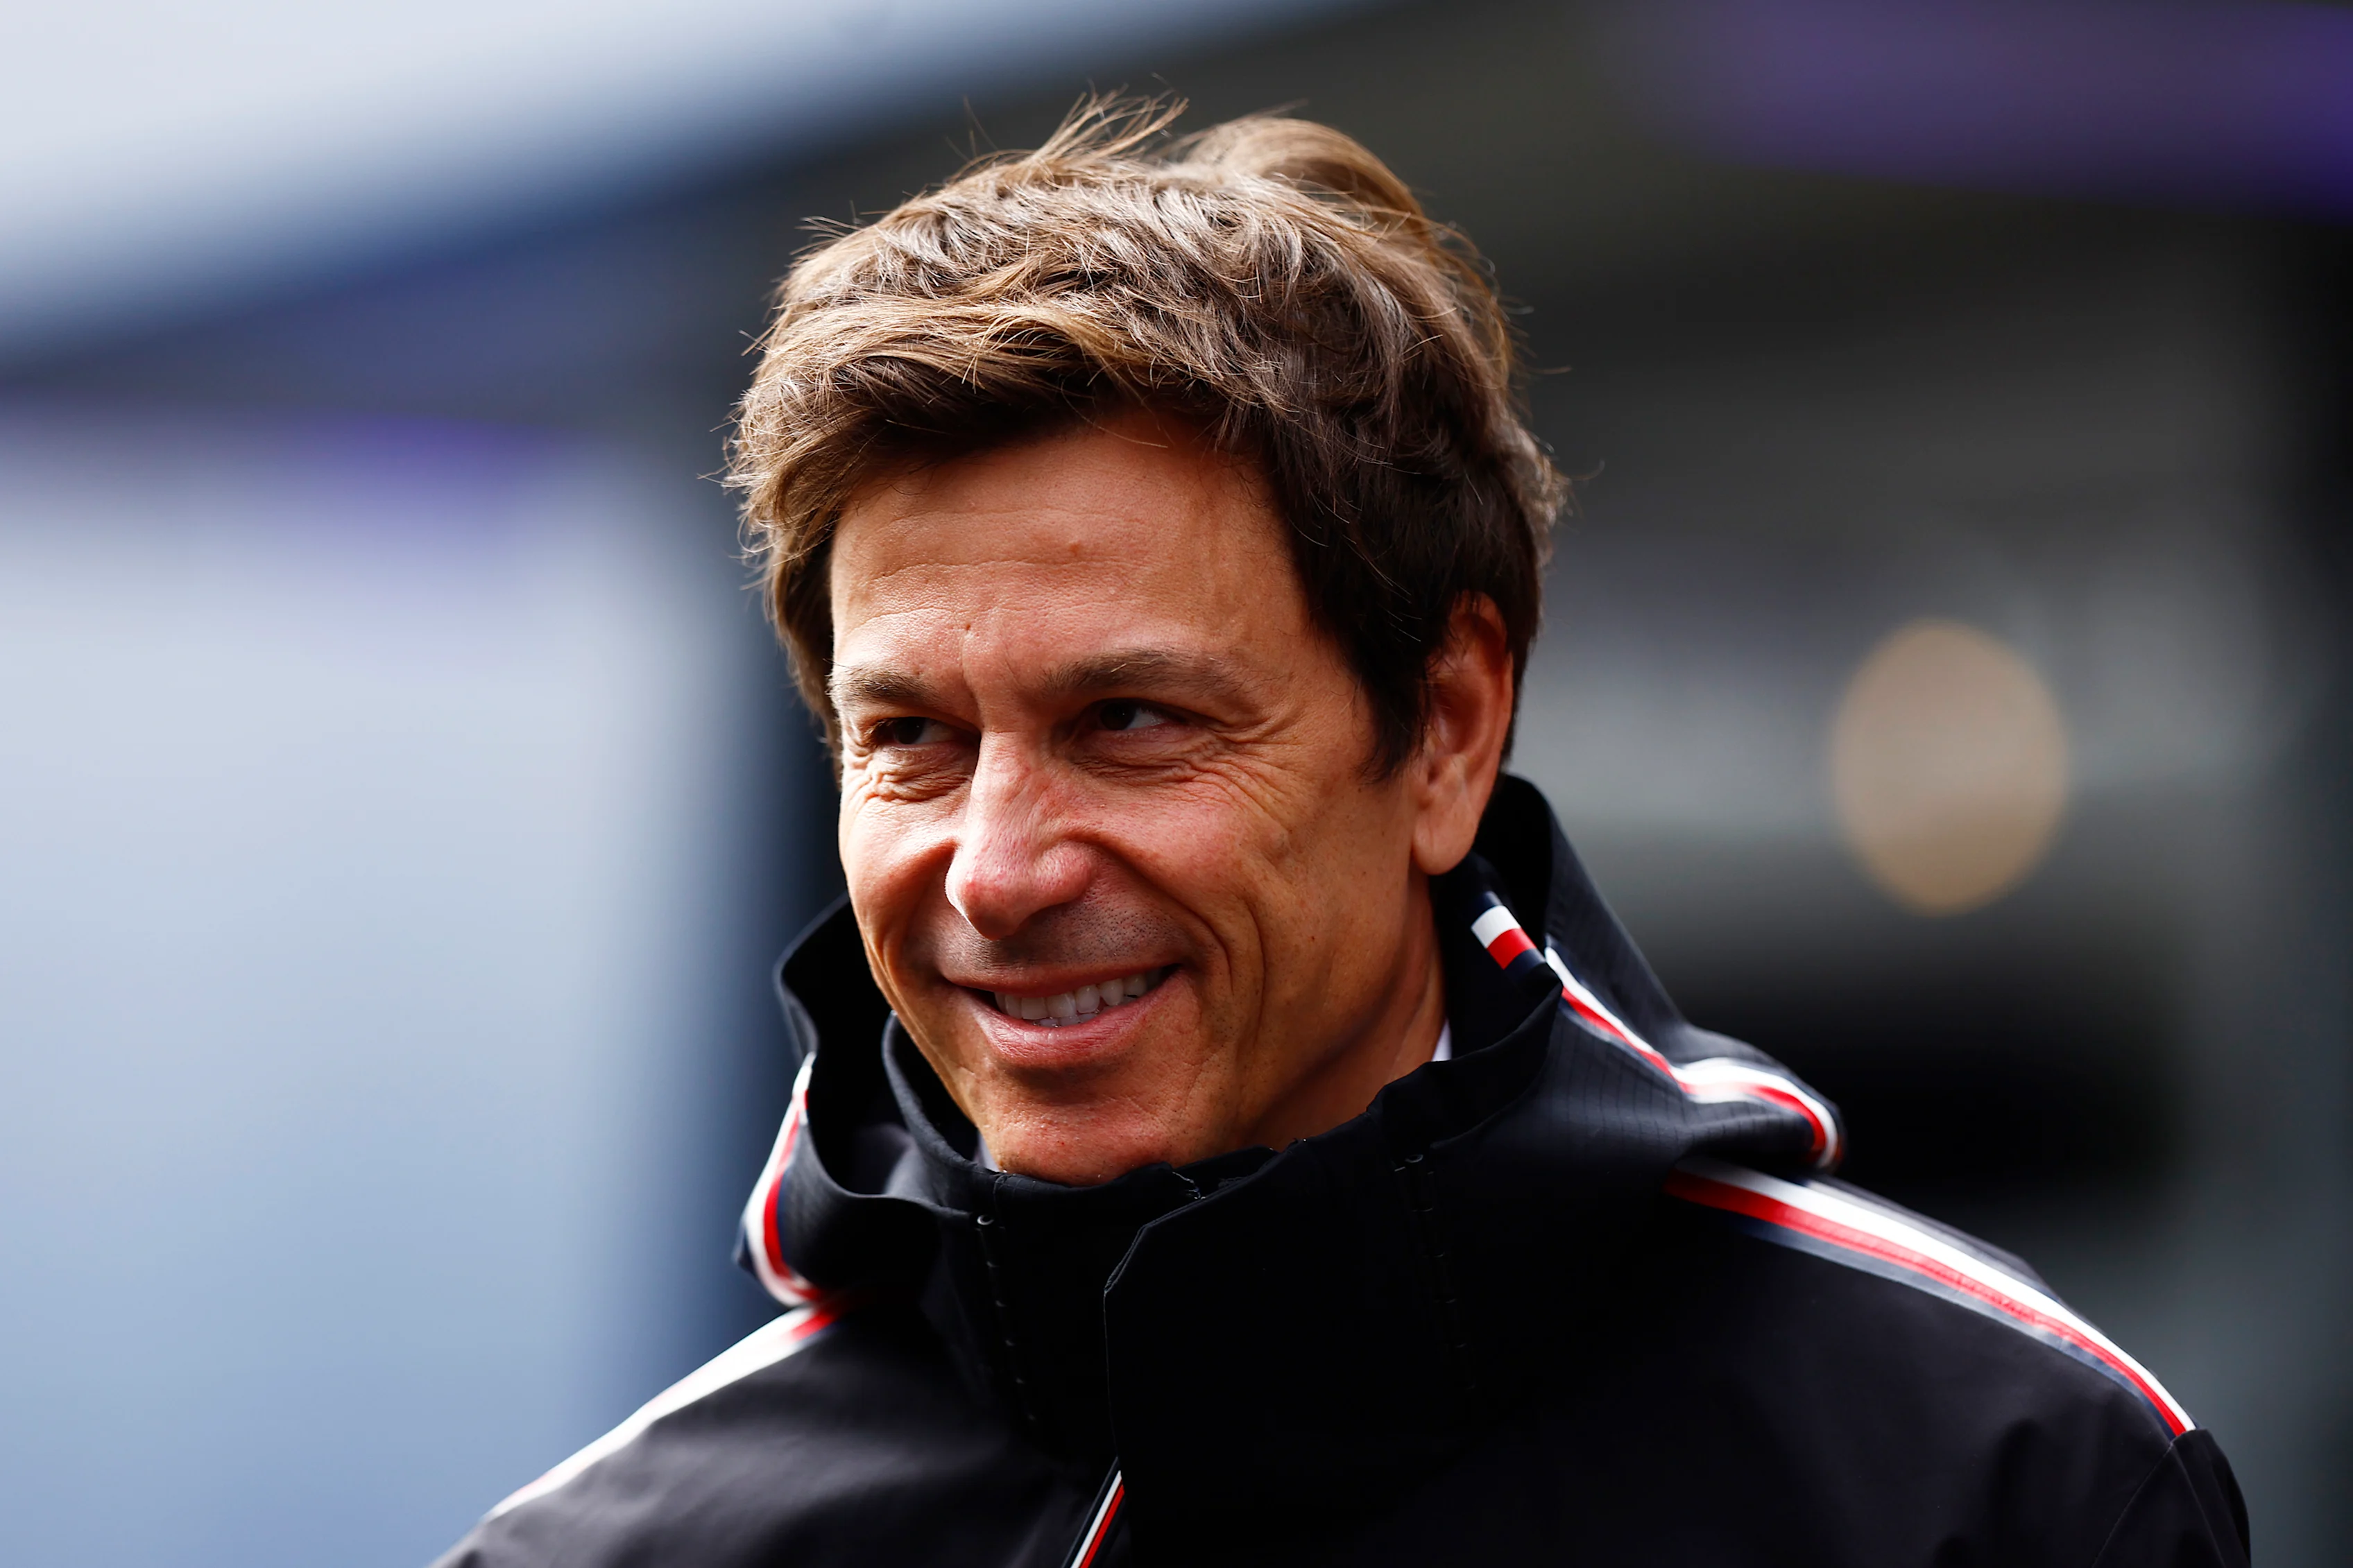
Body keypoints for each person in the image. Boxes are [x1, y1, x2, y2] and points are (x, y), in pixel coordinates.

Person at [433, 102, 2248, 1567]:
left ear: (1448, 726)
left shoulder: (1995, 1481)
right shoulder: (616, 1547)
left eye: (1128, 723)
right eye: (909, 737)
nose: (996, 868)